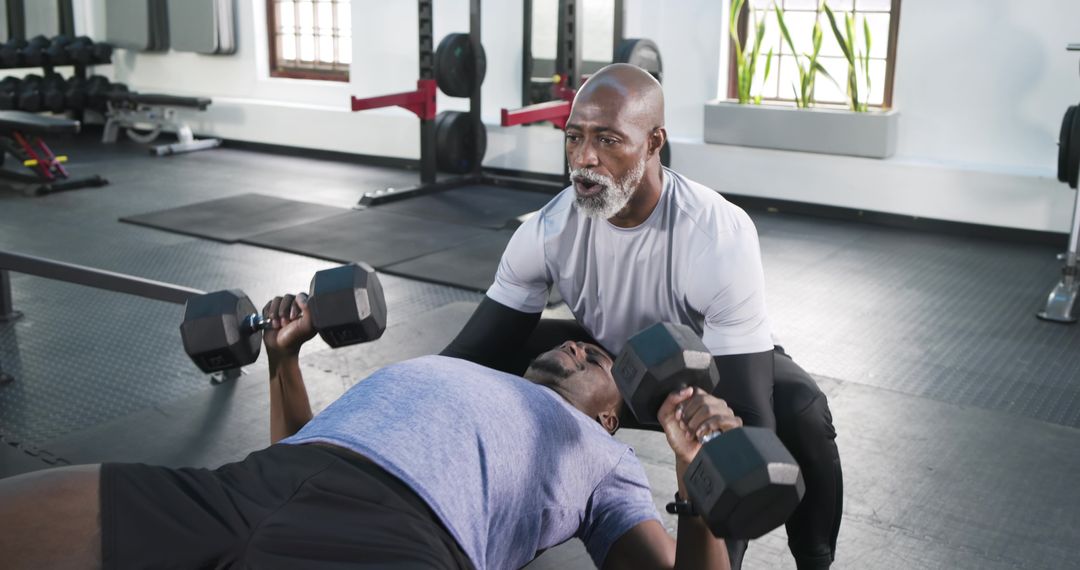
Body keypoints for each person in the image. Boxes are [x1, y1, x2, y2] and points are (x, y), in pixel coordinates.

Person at [0, 292, 741, 570]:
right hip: (253, 489)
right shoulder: (466, 375)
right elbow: (297, 445)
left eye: (598, 356)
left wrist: (696, 482)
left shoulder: (604, 458)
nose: (580, 346)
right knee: (25, 515)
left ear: (613, 414)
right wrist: (283, 362)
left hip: (397, 534)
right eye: (572, 342)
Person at [441, 63, 843, 570]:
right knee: (480, 371)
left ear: (654, 142)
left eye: (608, 140)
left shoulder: (716, 234)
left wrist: (721, 556)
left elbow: (747, 416)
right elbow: (467, 358)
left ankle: (816, 558)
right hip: (607, 351)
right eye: (574, 138)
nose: (585, 160)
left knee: (802, 410)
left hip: (707, 370)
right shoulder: (547, 230)